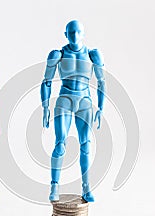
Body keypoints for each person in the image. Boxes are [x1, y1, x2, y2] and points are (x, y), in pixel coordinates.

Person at [40, 20, 106, 202]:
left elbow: (102, 82)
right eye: (71, 32)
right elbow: (46, 81)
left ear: (83, 33)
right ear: (65, 34)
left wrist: (101, 107)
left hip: (85, 101)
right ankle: (54, 186)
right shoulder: (58, 54)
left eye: (78, 32)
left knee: (86, 145)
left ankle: (86, 187)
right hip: (65, 99)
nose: (74, 36)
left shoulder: (93, 55)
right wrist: (45, 106)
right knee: (60, 143)